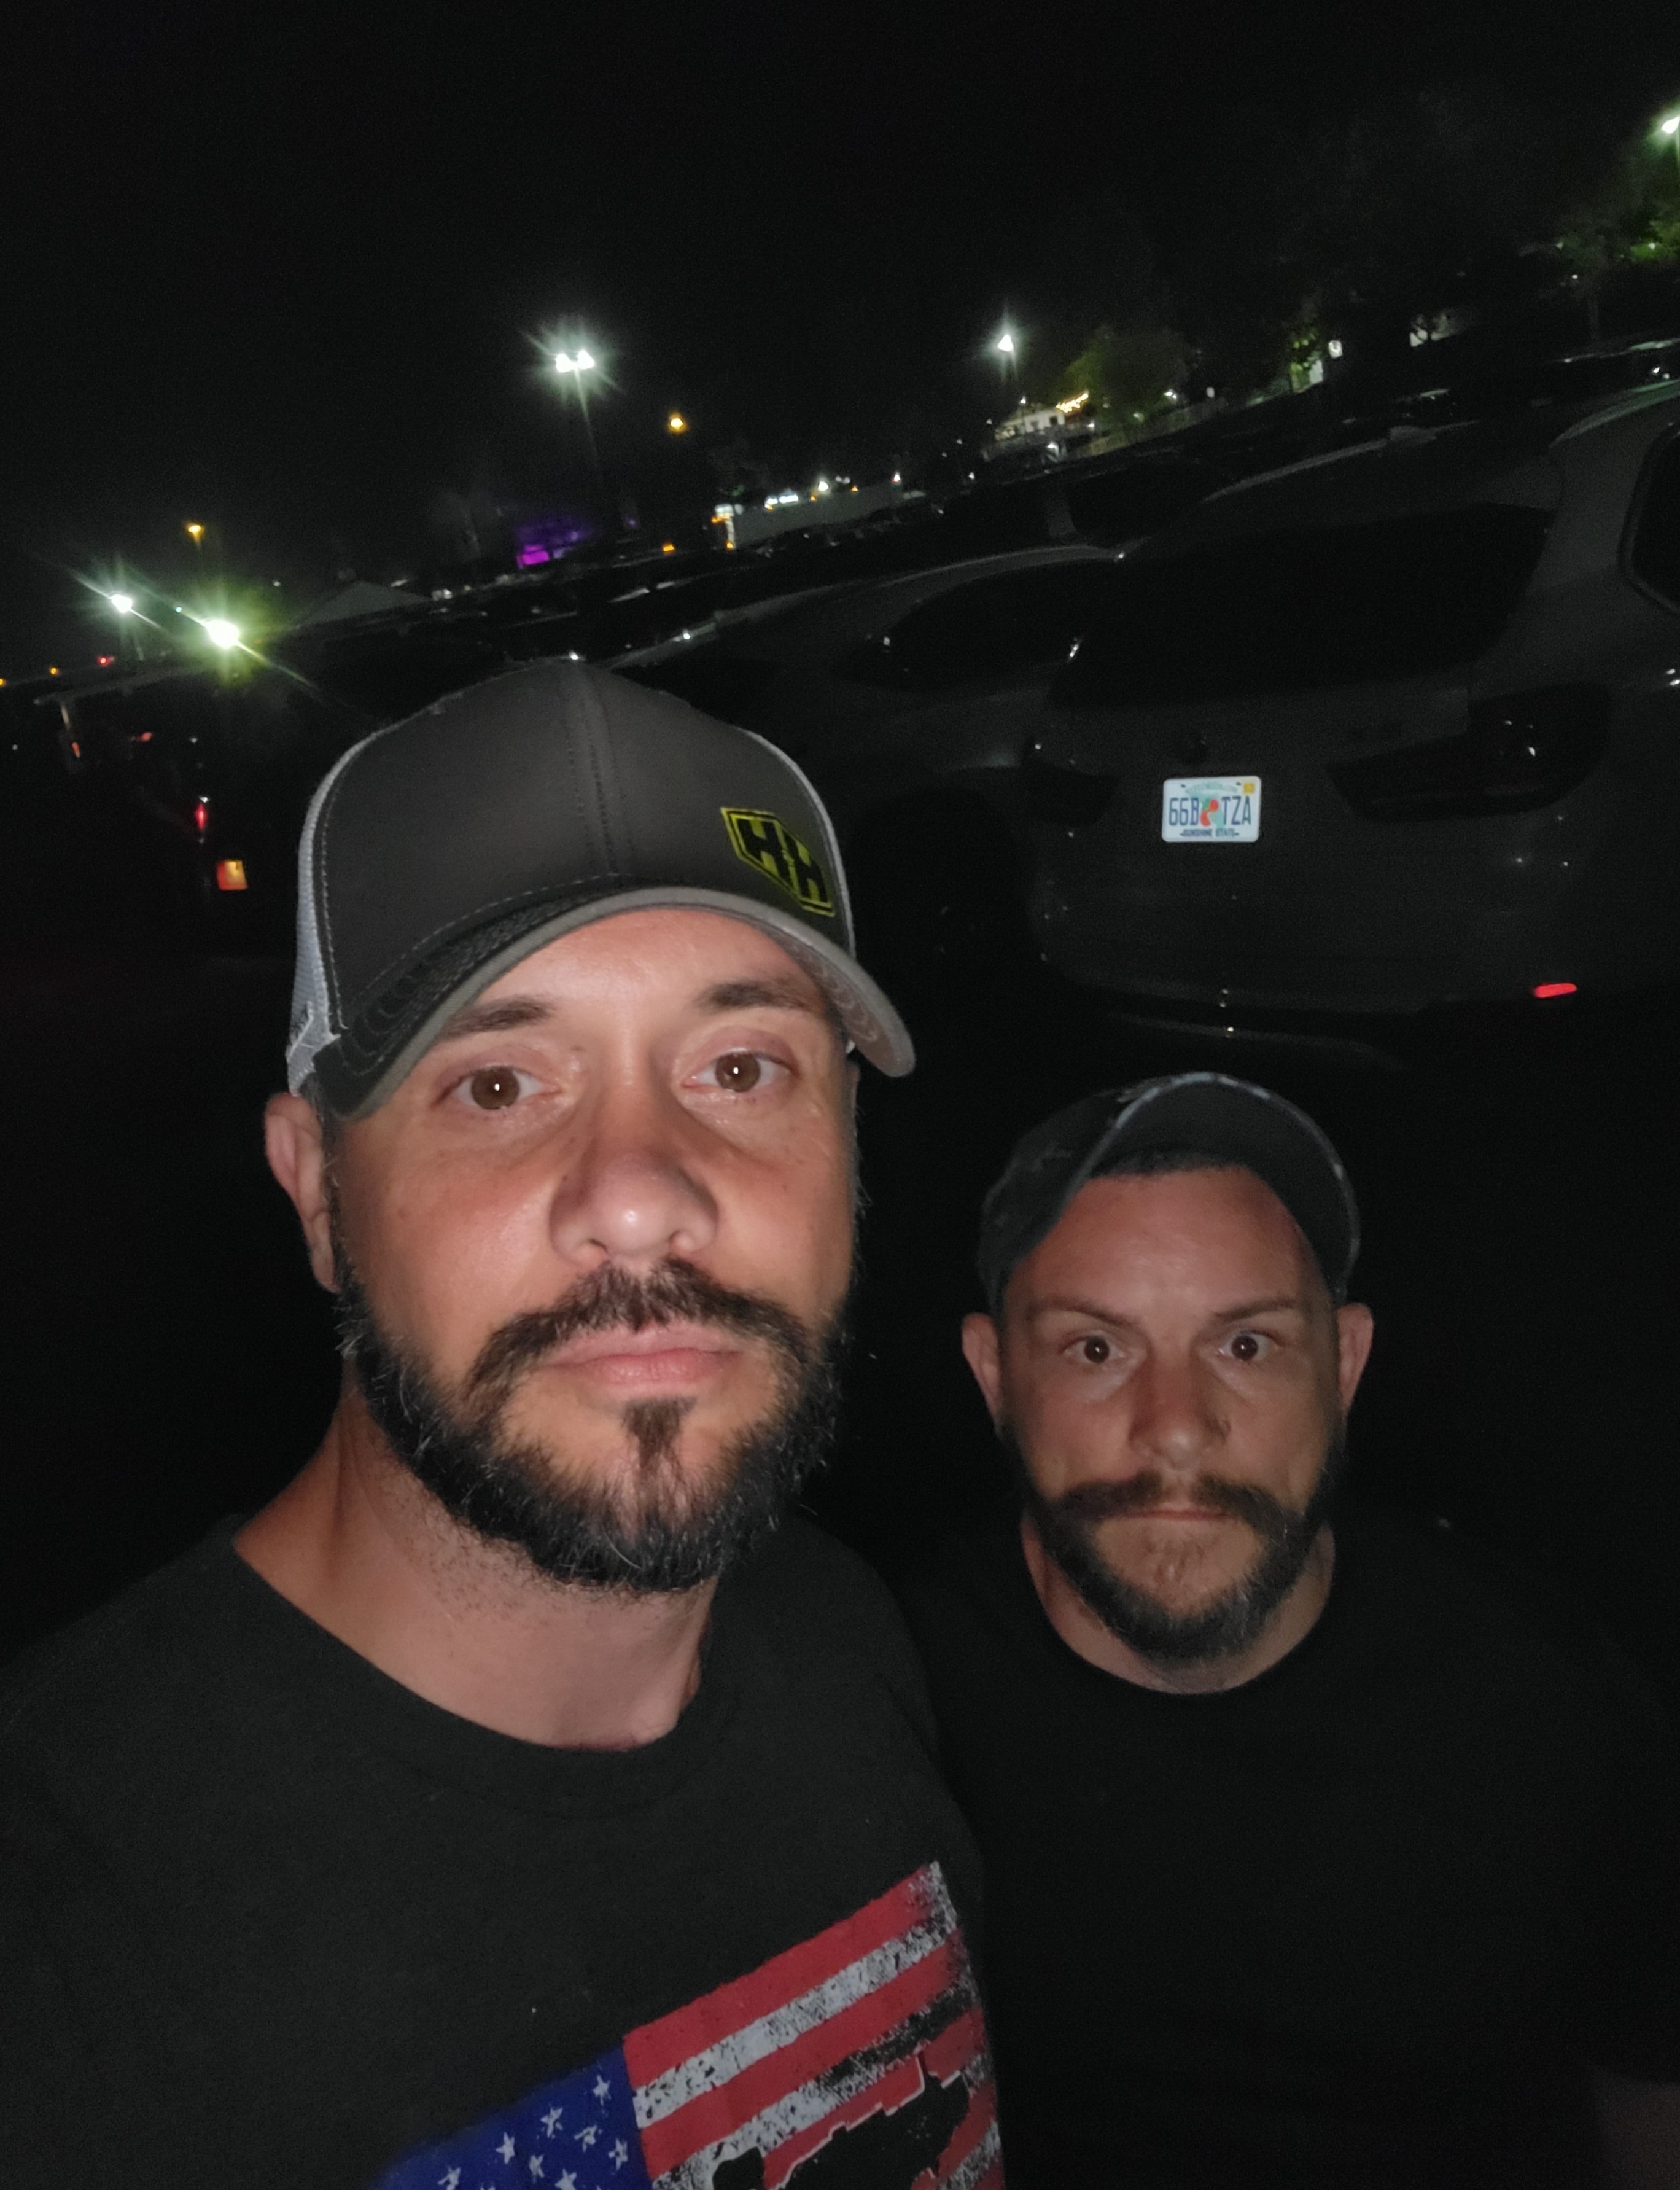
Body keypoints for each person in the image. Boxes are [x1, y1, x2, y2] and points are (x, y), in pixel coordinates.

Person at [0, 664, 1001, 2190]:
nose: (641, 1195)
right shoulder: (59, 1925)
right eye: (498, 1083)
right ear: (316, 1189)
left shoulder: (845, 1635)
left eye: (741, 1068)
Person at [900, 1072, 1680, 2190]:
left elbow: (1653, 2085)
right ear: (995, 1377)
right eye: (1095, 1349)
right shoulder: (882, 1701)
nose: (1176, 1430)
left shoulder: (1547, 1700)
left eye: (1248, 1346)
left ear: (1345, 1365)